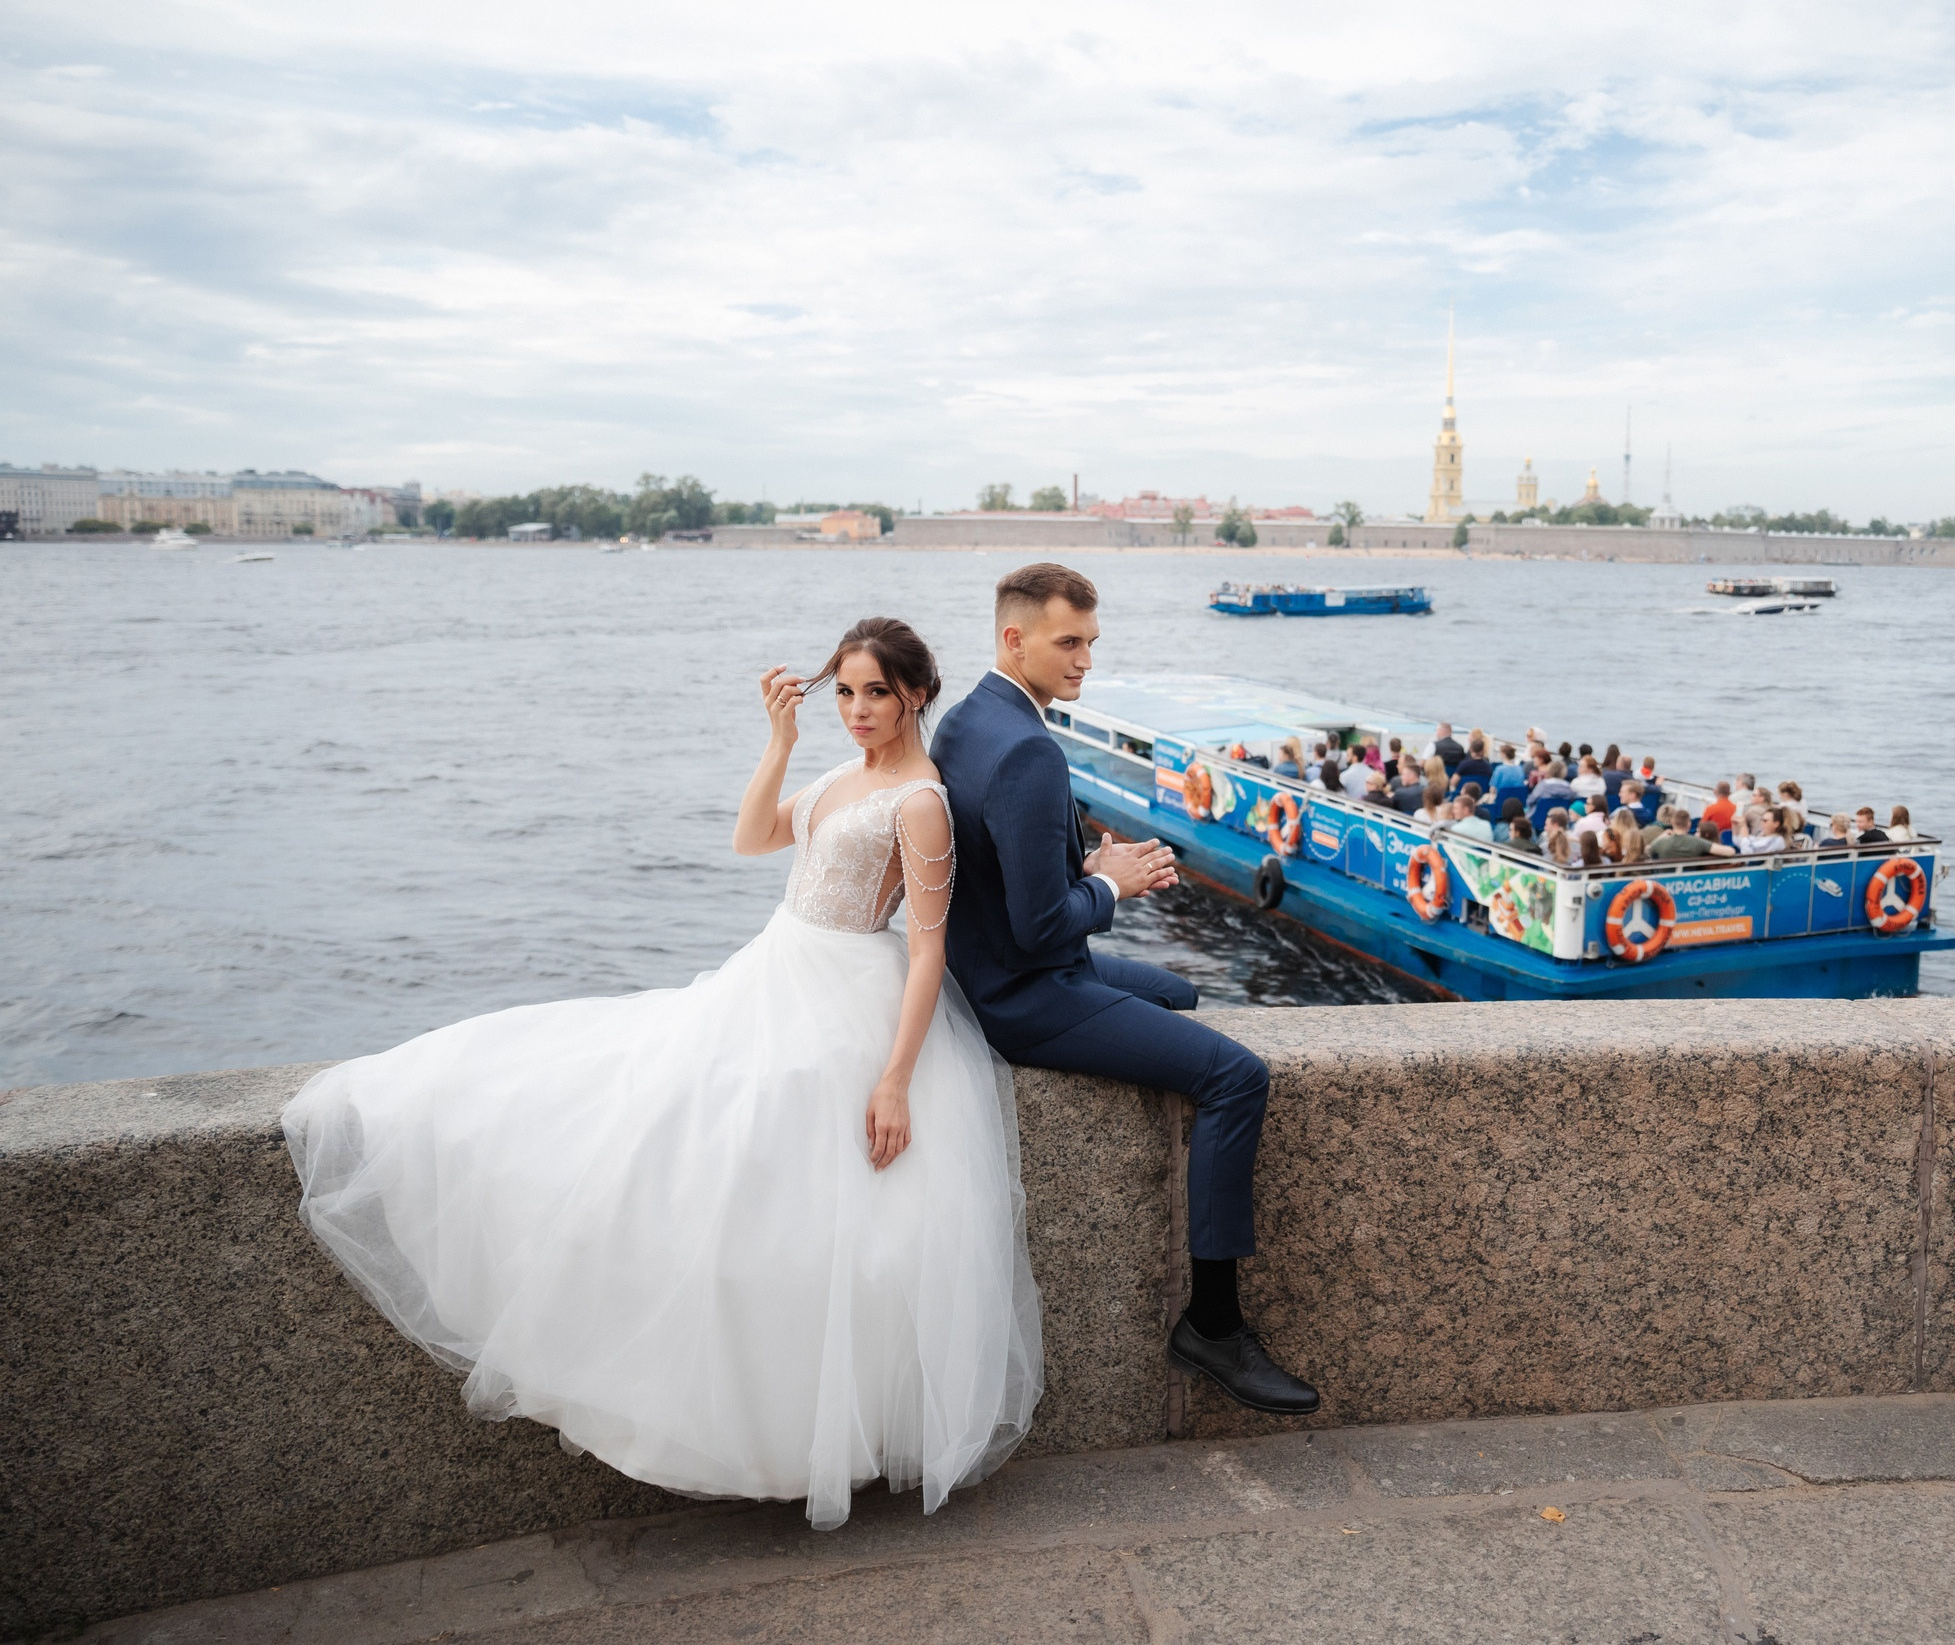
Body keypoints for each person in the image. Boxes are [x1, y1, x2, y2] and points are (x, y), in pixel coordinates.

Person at [281, 617, 1043, 1529]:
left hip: (845, 998)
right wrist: (780, 740)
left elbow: (926, 950)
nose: (857, 708)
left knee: (787, 1202)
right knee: (635, 1113)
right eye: (844, 691)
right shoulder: (845, 773)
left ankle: (805, 1431)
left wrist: (893, 1079)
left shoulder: (919, 801)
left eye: (876, 691)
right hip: (773, 973)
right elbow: (753, 837)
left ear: (916, 693)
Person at [933, 564, 1319, 1419]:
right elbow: (1043, 926)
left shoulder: (966, 719)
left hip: (988, 969)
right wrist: (1113, 884)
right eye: (1068, 642)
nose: (1085, 661)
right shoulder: (1030, 748)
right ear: (1014, 638)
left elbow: (1000, 872)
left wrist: (1087, 866)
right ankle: (1212, 1323)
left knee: (1178, 993)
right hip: (1025, 993)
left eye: (1091, 642)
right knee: (1237, 1076)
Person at [1647, 805, 1727, 860]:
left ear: (1672, 822)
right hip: (1689, 879)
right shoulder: (1697, 842)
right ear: (1689, 824)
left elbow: (1647, 850)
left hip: (1664, 879)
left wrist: (1661, 837)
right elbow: (1729, 851)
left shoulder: (1661, 842)